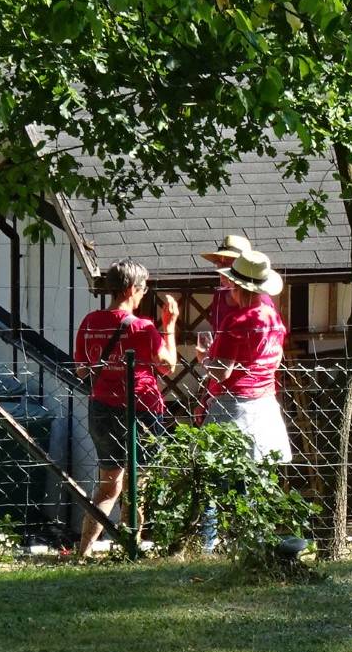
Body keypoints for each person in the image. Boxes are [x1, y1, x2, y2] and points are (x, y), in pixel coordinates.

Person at [72, 260, 179, 556]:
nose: (144, 294)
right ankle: (129, 548)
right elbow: (168, 366)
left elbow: (81, 370)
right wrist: (169, 326)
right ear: (132, 289)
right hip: (141, 410)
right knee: (136, 485)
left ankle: (83, 552)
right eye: (143, 289)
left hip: (102, 409)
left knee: (108, 486)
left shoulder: (90, 321)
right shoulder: (143, 327)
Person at [203, 249, 292, 463]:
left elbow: (221, 373)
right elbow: (276, 359)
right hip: (265, 402)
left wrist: (204, 359)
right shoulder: (273, 318)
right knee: (260, 475)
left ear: (236, 286)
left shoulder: (236, 322)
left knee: (222, 476)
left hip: (234, 405)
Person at [200, 234, 273, 332]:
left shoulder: (260, 300)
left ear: (243, 267)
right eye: (218, 262)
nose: (220, 267)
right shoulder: (220, 294)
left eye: (227, 262)